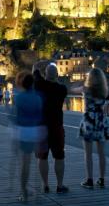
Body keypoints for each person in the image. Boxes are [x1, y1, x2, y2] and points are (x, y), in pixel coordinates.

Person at [70, 68, 109, 189]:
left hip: (88, 121)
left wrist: (81, 81)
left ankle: (90, 180)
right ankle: (102, 179)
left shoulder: (85, 89)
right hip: (100, 121)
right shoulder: (105, 91)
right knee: (101, 153)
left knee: (88, 154)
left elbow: (72, 88)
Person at [33, 64, 69, 194]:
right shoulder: (62, 89)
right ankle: (59, 185)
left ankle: (45, 185)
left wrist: (40, 72)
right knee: (59, 157)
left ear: (45, 75)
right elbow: (55, 83)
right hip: (56, 126)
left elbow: (35, 71)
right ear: (57, 75)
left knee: (42, 157)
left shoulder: (39, 85)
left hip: (41, 126)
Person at [12, 71, 46, 202]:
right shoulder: (38, 98)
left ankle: (24, 192)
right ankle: (38, 190)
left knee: (24, 164)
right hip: (36, 130)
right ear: (32, 84)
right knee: (37, 161)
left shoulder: (18, 98)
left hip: (23, 131)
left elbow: (16, 116)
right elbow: (40, 115)